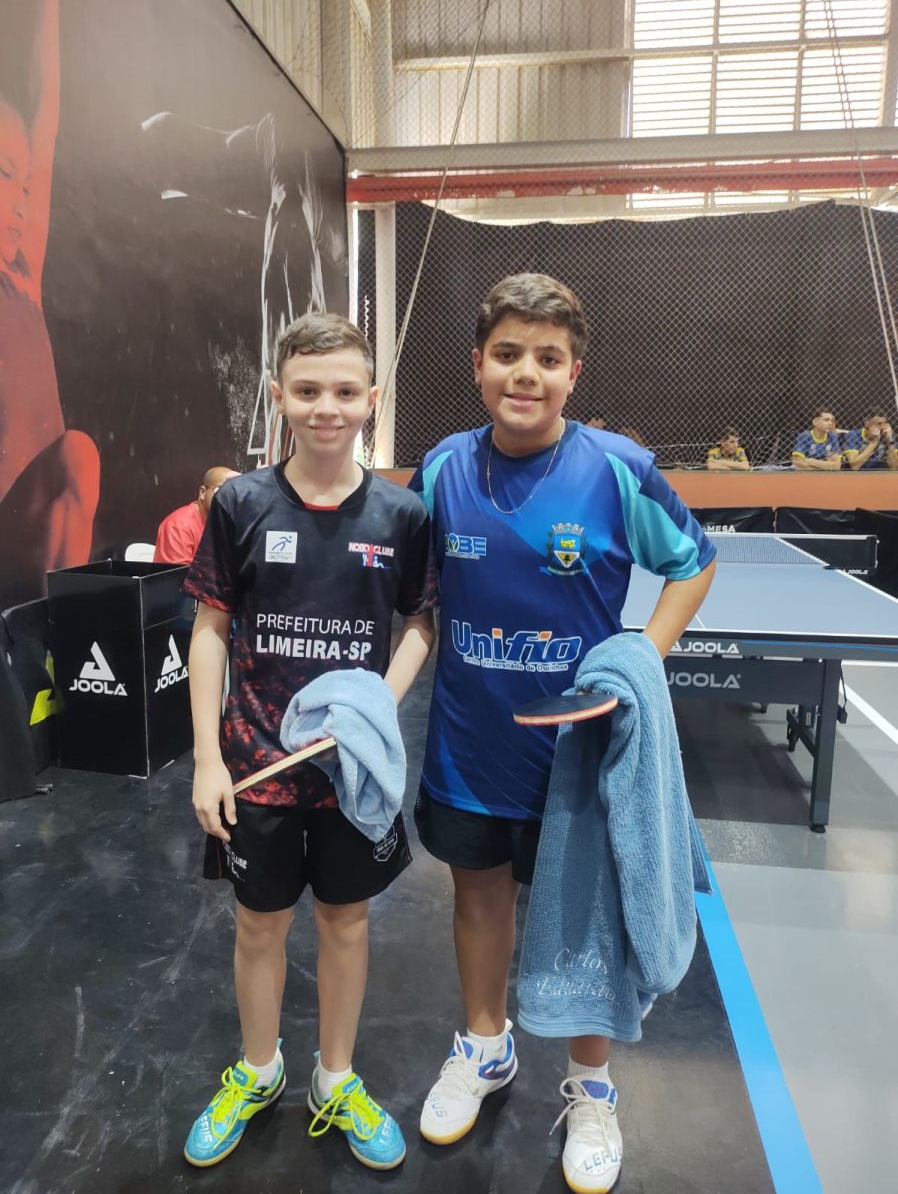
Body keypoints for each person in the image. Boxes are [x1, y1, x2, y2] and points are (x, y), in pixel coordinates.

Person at [409, 273, 716, 1194]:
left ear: (574, 373)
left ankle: (590, 1087)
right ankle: (486, 1046)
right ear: (477, 364)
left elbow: (693, 564)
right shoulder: (441, 468)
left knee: (585, 920)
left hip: (577, 760)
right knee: (478, 897)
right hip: (468, 745)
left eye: (548, 358)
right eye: (508, 354)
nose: (526, 374)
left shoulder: (619, 468)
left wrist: (642, 656)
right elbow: (416, 594)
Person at [180, 312, 437, 1170]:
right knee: (258, 928)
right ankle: (259, 1071)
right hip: (257, 763)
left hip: (350, 773)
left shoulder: (402, 514)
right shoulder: (242, 504)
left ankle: (336, 1078)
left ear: (373, 398)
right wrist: (208, 760)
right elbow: (210, 630)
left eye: (345, 390)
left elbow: (420, 624)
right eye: (308, 390)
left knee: (346, 921)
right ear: (278, 395)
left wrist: (374, 708)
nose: (327, 406)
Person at [0, 0, 100, 607]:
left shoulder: (21, 278)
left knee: (78, 455)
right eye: (4, 175)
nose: (21, 199)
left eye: (24, 182)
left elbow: (47, 116)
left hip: (26, 523)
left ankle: (61, 633)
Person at [153, 466, 239, 564]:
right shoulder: (178, 526)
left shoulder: (230, 522)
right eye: (221, 491)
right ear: (202, 492)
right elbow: (180, 572)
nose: (228, 498)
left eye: (233, 494)